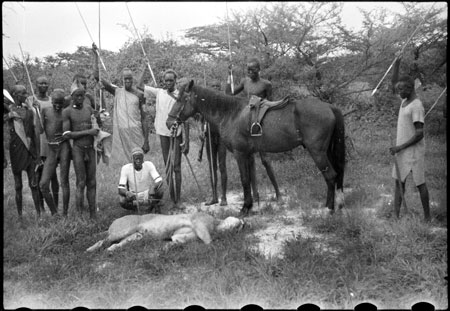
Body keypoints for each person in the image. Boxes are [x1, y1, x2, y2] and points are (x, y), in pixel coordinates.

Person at [226, 57, 281, 201]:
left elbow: (271, 103)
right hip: (246, 123)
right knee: (249, 159)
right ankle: (255, 194)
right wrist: (229, 75)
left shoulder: (266, 84)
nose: (249, 72)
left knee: (265, 160)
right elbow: (230, 93)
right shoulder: (245, 82)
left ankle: (278, 192)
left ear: (259, 70)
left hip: (260, 124)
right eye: (248, 70)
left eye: (252, 70)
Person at [137, 64, 190, 209]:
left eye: (170, 81)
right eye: (166, 81)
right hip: (162, 133)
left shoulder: (181, 96)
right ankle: (173, 198)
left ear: (175, 81)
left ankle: (178, 199)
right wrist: (145, 67)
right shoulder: (159, 92)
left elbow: (186, 119)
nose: (168, 83)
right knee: (168, 167)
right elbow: (139, 85)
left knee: (177, 167)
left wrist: (187, 140)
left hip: (176, 133)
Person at [93, 44, 149, 166]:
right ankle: (127, 183)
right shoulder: (117, 91)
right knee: (126, 164)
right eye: (125, 79)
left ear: (132, 79)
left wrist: (146, 140)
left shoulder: (140, 95)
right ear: (122, 80)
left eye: (129, 79)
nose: (127, 81)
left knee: (139, 161)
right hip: (122, 133)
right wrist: (96, 55)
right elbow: (98, 78)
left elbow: (144, 118)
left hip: (136, 132)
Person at [389, 55, 430, 221]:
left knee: (420, 183)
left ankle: (427, 217)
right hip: (403, 150)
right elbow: (394, 84)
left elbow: (420, 134)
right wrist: (396, 65)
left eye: (402, 90)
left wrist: (400, 147)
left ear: (411, 88)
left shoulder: (416, 106)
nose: (399, 92)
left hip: (414, 151)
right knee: (399, 182)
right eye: (399, 90)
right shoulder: (404, 100)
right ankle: (395, 215)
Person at [4, 85, 41, 220]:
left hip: (29, 150)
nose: (26, 95)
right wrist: (9, 115)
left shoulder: (29, 111)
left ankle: (39, 214)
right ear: (15, 95)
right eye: (22, 93)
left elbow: (34, 131)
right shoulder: (9, 109)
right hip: (15, 150)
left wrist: (37, 154)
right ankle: (20, 216)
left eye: (26, 92)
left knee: (33, 184)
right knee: (18, 185)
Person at [62, 85, 100, 219]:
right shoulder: (67, 112)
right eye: (77, 96)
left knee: (92, 182)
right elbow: (66, 134)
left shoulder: (88, 109)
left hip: (90, 148)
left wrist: (98, 118)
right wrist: (88, 132)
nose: (79, 98)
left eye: (82, 96)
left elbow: (97, 126)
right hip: (77, 149)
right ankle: (79, 215)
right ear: (71, 97)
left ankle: (93, 214)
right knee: (81, 182)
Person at [25, 76, 59, 213]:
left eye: (46, 83)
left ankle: (55, 205)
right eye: (40, 83)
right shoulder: (30, 100)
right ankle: (41, 208)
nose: (43, 85)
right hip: (36, 141)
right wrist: (32, 108)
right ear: (36, 84)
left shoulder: (52, 100)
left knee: (53, 176)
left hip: (49, 142)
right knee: (38, 174)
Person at [39, 89, 71, 217]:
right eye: (55, 103)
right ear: (51, 101)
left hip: (63, 148)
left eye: (60, 103)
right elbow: (40, 130)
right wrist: (36, 111)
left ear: (64, 102)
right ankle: (54, 213)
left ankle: (64, 213)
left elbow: (71, 130)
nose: (57, 106)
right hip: (51, 149)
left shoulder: (66, 112)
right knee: (43, 184)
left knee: (64, 181)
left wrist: (66, 136)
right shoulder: (45, 110)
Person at [199, 80, 228, 206]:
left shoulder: (224, 103)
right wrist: (201, 131)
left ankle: (224, 197)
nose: (215, 89)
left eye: (217, 87)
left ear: (220, 89)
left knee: (222, 166)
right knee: (212, 167)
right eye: (213, 87)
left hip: (221, 137)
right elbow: (201, 120)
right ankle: (214, 196)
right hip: (209, 136)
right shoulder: (205, 104)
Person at [118, 147, 164, 213]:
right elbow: (120, 189)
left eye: (140, 158)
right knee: (122, 200)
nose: (138, 161)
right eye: (136, 159)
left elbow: (159, 180)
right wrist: (127, 193)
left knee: (160, 191)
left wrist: (153, 188)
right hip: (133, 195)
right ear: (132, 159)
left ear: (143, 159)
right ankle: (135, 209)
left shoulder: (149, 165)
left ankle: (152, 207)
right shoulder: (125, 168)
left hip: (147, 193)